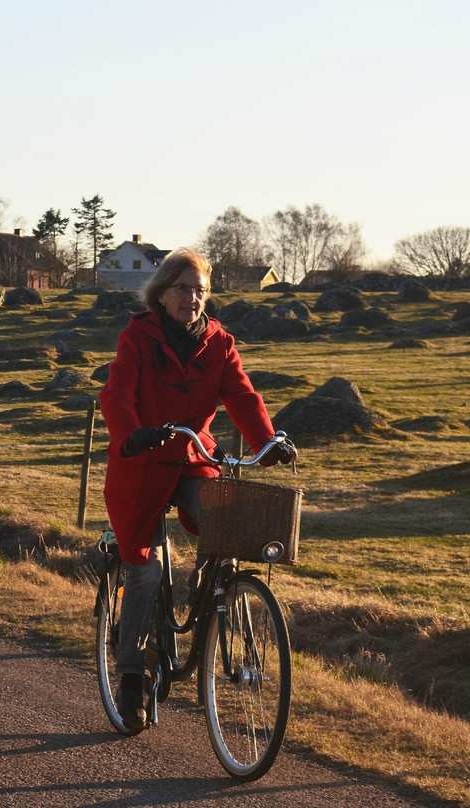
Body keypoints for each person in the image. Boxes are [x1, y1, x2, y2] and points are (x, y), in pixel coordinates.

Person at [98, 247, 295, 730]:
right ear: (162, 293)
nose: (192, 297)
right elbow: (117, 392)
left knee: (225, 526)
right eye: (183, 289)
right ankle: (131, 678)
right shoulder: (138, 337)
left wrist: (267, 442)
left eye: (200, 290)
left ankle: (206, 591)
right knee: (143, 570)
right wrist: (130, 435)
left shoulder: (219, 342)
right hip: (141, 462)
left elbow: (244, 396)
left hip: (191, 458)